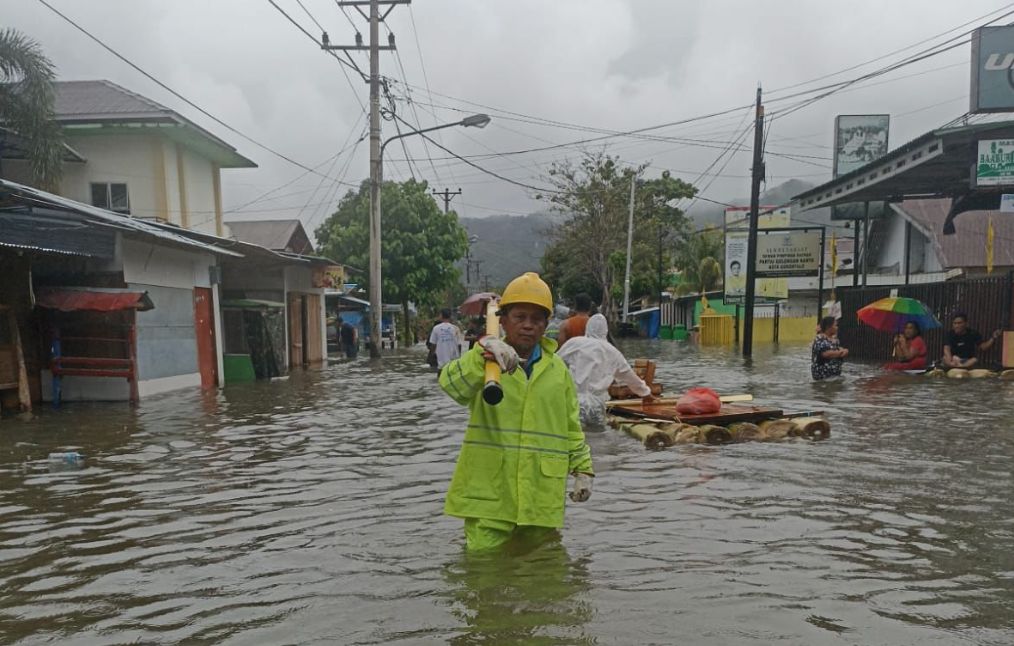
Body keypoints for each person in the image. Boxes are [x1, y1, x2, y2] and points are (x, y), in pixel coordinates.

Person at [437, 272, 593, 552]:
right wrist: (480, 354)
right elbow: (451, 385)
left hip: (540, 499)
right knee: (482, 579)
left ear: (547, 324)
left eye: (536, 319)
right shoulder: (486, 364)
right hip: (490, 499)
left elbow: (571, 427)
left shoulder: (559, 372)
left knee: (545, 580)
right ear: (504, 320)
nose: (528, 326)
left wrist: (583, 469)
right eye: (520, 317)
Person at [557, 313, 651, 432]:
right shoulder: (613, 352)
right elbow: (630, 377)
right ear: (605, 331)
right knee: (599, 439)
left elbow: (554, 362)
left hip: (574, 401)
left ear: (588, 327)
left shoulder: (575, 343)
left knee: (574, 437)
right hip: (597, 404)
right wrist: (646, 393)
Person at [811, 316, 848, 380]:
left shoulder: (835, 340)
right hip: (822, 377)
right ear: (829, 327)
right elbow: (826, 354)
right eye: (835, 325)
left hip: (835, 376)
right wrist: (841, 352)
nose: (837, 328)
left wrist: (845, 351)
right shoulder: (819, 339)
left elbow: (838, 348)